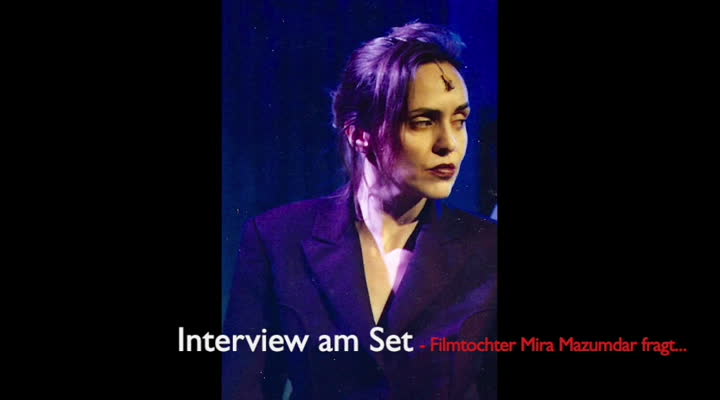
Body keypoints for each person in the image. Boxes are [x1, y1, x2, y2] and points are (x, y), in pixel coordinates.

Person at [222, 22, 497, 400]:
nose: (449, 143)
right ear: (359, 133)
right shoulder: (277, 241)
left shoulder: (489, 250)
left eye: (459, 120)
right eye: (423, 122)